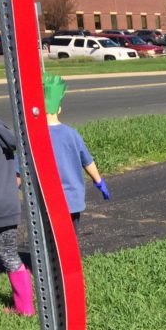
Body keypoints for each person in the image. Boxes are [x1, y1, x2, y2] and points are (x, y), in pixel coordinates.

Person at [44, 73, 110, 226]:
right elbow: (88, 162)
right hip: (72, 199)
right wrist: (99, 181)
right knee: (69, 241)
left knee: (49, 240)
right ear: (59, 109)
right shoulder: (72, 134)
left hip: (48, 200)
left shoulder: (36, 137)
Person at [0, 116, 34, 315]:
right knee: (9, 253)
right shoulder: (3, 134)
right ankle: (25, 307)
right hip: (9, 204)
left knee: (7, 253)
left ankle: (25, 308)